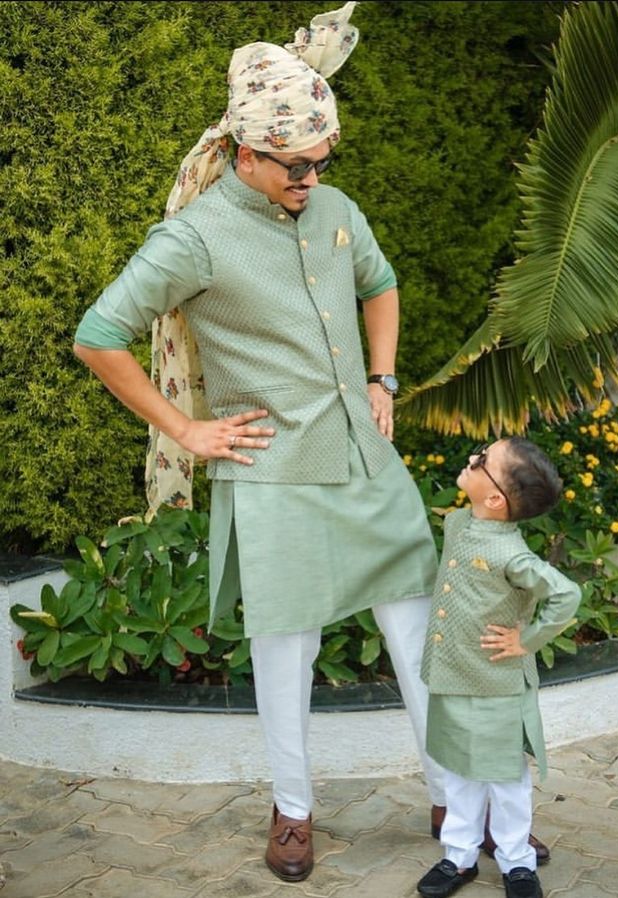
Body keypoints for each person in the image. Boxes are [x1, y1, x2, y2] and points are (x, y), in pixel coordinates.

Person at [72, 2, 549, 882]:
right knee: (284, 654)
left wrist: (384, 379)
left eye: (324, 159)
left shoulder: (334, 206)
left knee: (427, 635)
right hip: (272, 472)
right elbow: (96, 334)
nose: (313, 176)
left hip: (369, 464)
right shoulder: (192, 238)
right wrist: (184, 428)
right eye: (296, 164)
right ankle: (293, 813)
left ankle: (459, 800)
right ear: (246, 154)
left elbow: (382, 282)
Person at [418, 438, 581, 898]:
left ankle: (517, 862)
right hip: (453, 675)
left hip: (496, 682)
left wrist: (525, 640)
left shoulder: (512, 555)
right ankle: (458, 856)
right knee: (458, 770)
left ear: (494, 498)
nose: (470, 459)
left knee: (506, 776)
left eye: (481, 461)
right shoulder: (457, 522)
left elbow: (567, 594)